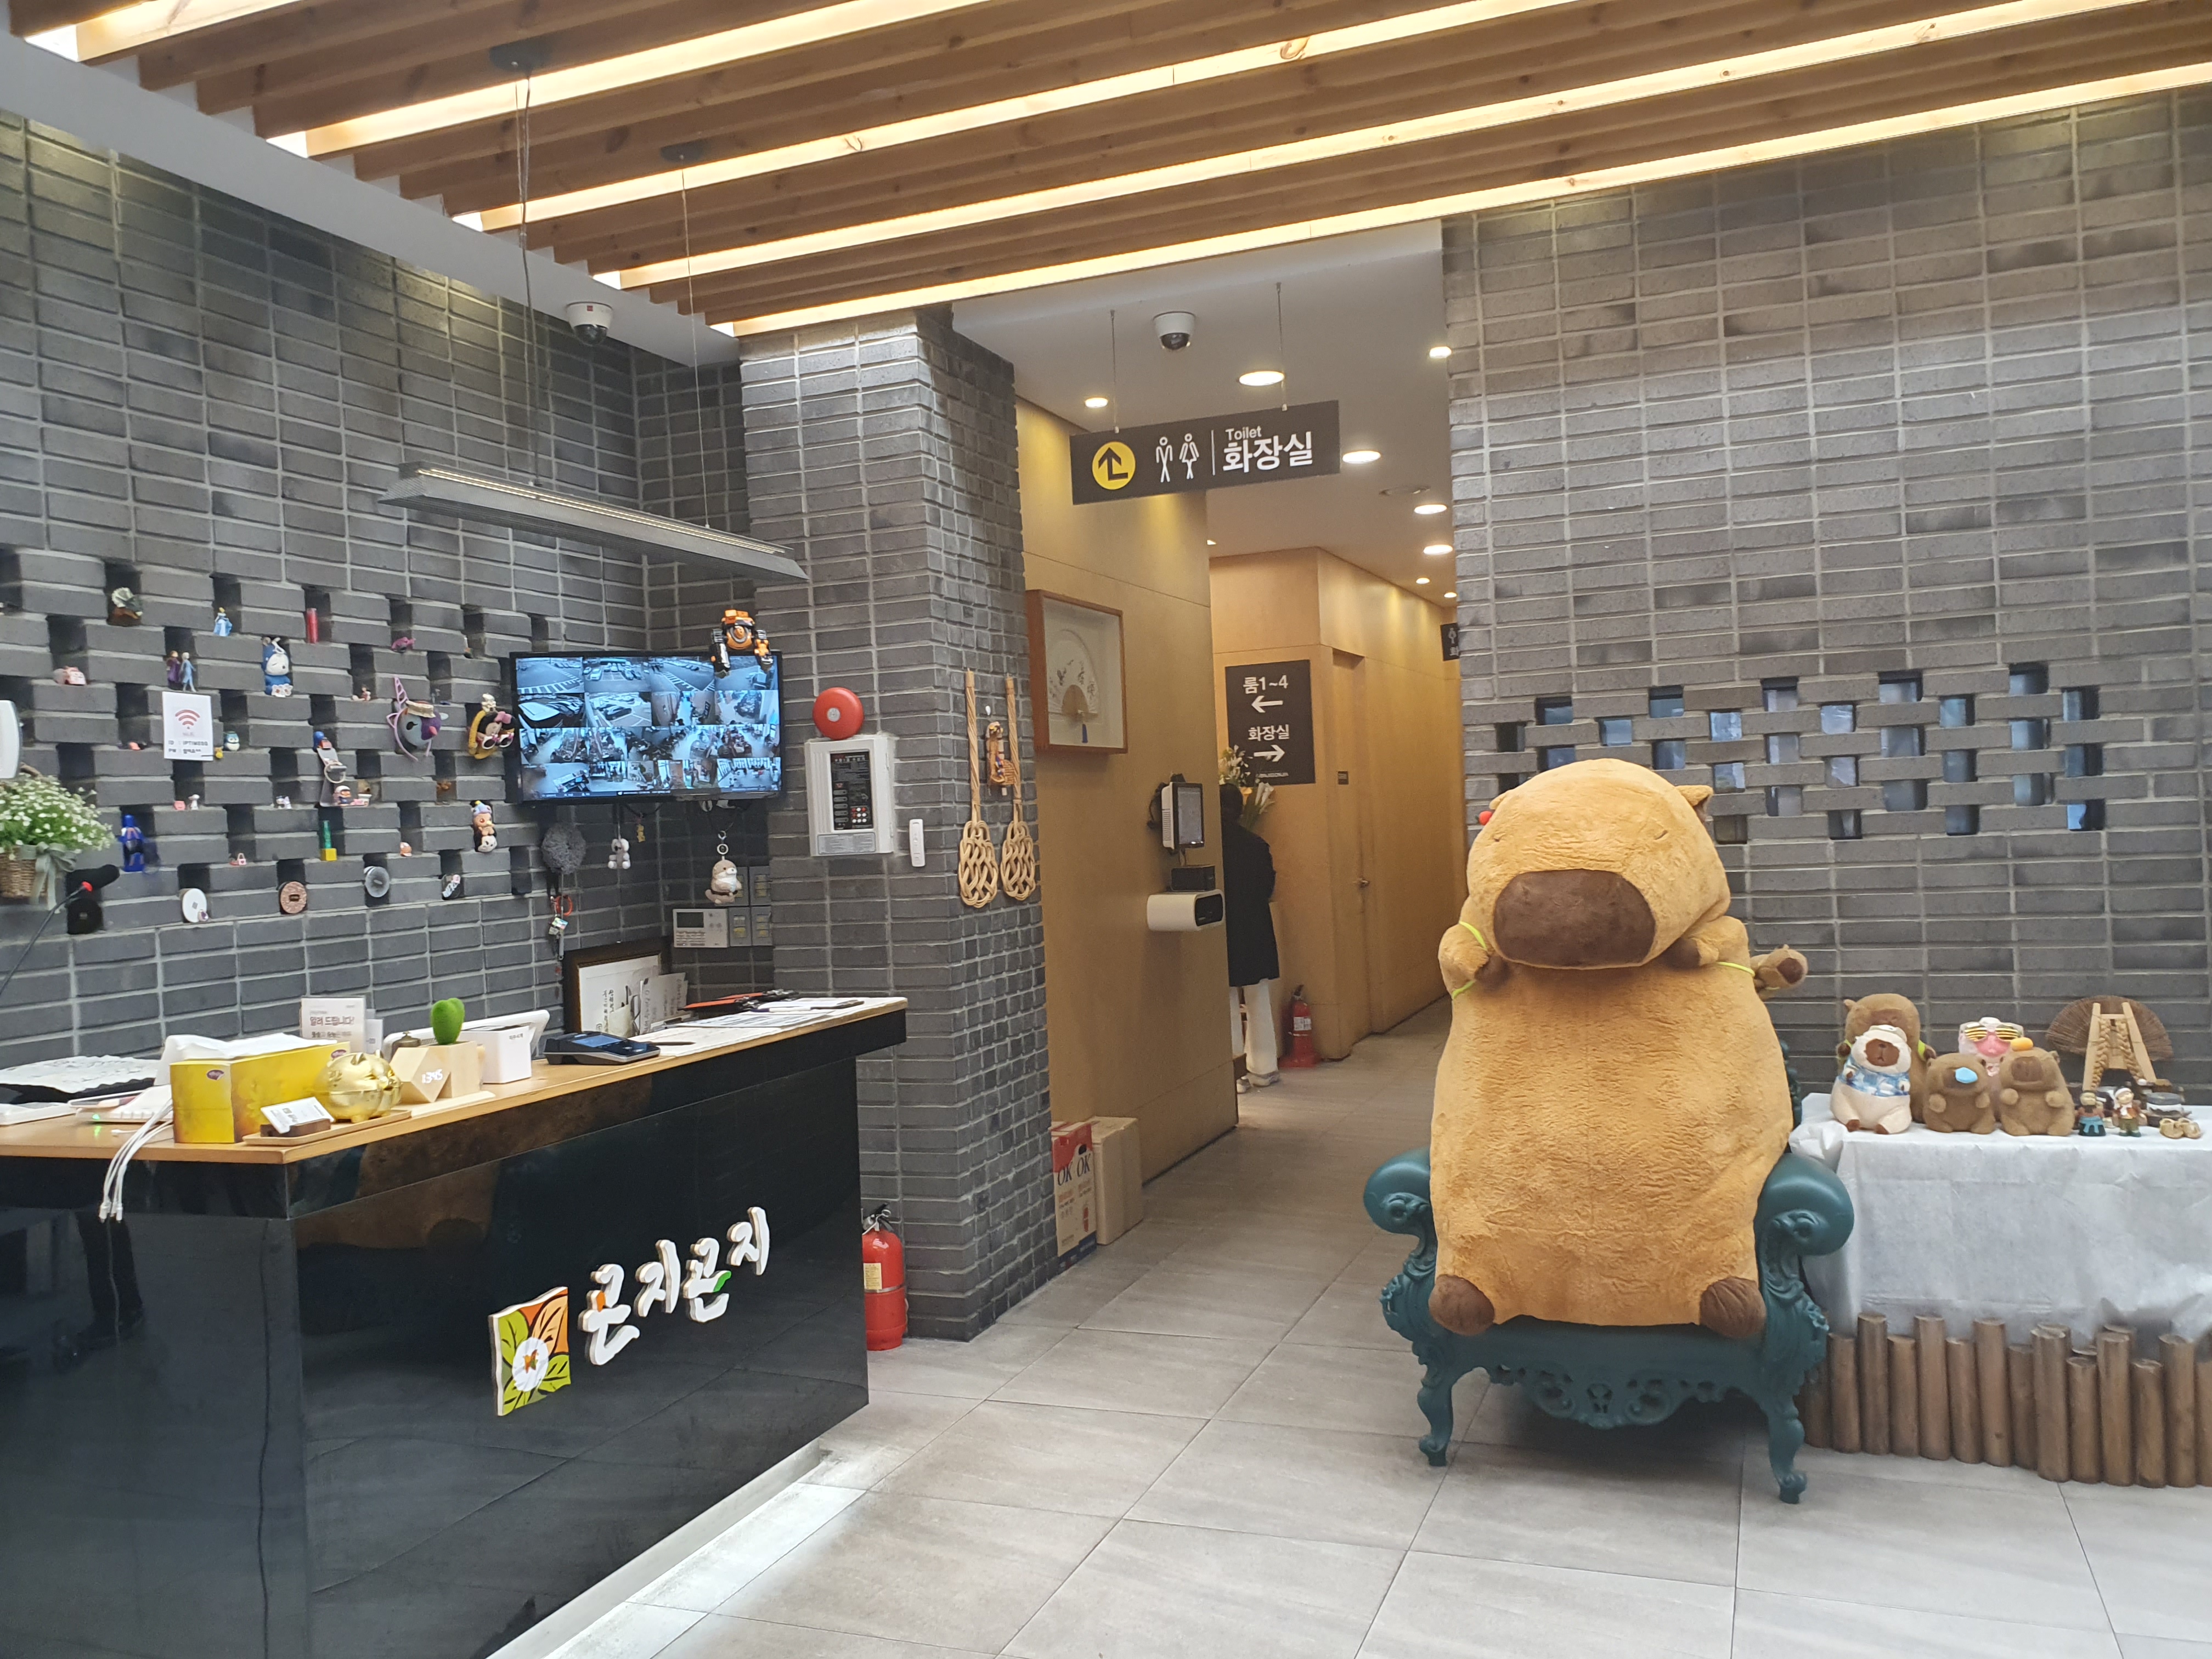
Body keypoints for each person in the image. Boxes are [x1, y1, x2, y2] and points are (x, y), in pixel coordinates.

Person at [1220, 782, 1281, 1088]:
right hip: (1255, 930)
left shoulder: (1211, 848)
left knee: (1227, 1001)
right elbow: (1268, 888)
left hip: (1223, 931)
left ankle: (1235, 1076)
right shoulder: (1257, 845)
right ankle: (1265, 1068)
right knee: (1258, 999)